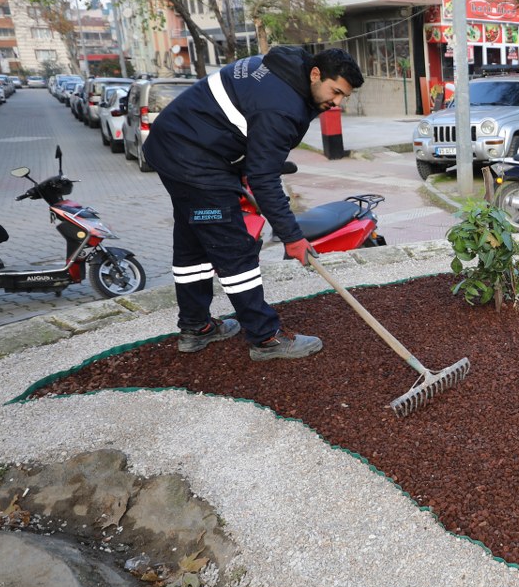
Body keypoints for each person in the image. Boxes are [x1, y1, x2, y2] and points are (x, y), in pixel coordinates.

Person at [144, 46, 363, 360]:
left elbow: (256, 144)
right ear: (315, 74)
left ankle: (196, 327)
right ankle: (265, 338)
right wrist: (292, 236)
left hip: (175, 147)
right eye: (336, 91)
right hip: (195, 161)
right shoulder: (282, 106)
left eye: (345, 96)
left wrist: (259, 166)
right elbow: (264, 178)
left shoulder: (288, 70)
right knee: (234, 248)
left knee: (192, 244)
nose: (338, 102)